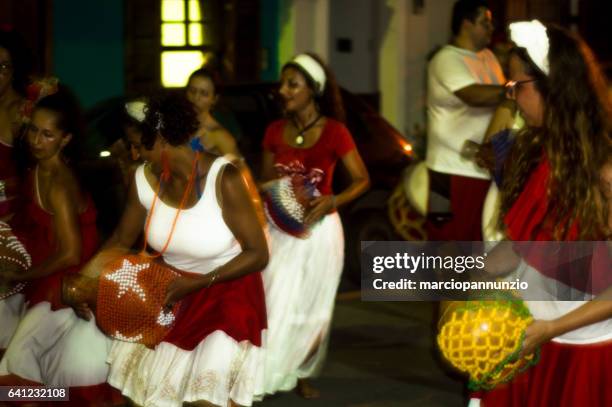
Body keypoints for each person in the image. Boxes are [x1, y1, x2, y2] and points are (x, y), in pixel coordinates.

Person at [85, 93, 268, 407]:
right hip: (169, 295)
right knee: (150, 398)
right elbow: (119, 240)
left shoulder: (224, 178)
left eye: (138, 145)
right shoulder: (142, 178)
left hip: (227, 294)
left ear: (160, 140)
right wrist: (84, 278)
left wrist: (196, 283)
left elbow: (258, 254)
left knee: (205, 398)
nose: (132, 152)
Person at [473, 21, 612, 406]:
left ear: (554, 86)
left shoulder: (606, 169)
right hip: (528, 331)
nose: (512, 97)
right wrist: (477, 277)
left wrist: (552, 328)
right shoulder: (537, 153)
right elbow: (524, 244)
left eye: (518, 86)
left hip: (582, 348)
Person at [257, 53, 370, 398]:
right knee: (273, 300)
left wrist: (331, 200)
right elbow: (263, 182)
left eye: (293, 84)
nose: (284, 90)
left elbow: (362, 180)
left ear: (314, 89)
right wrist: (272, 195)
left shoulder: (335, 132)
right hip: (279, 229)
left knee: (310, 307)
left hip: (321, 234)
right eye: (284, 83)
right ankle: (266, 371)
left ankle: (300, 372)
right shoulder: (274, 131)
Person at [0, 87, 121, 405]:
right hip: (44, 284)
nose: (36, 141)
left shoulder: (60, 184)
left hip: (60, 289)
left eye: (48, 135)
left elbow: (71, 252)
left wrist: (21, 276)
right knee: (30, 373)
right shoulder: (38, 169)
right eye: (34, 131)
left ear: (65, 139)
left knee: (13, 373)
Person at [425, 0, 506, 240]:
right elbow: (473, 95)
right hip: (449, 169)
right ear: (466, 24)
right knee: (449, 241)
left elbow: (500, 99)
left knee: (475, 238)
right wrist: (514, 90)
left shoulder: (488, 57)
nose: (491, 28)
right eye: (485, 22)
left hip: (479, 167)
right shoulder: (446, 59)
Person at [186, 67, 240, 157]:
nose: (196, 97)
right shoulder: (178, 128)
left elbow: (240, 170)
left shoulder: (219, 136)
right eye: (192, 91)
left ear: (214, 99)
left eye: (204, 93)